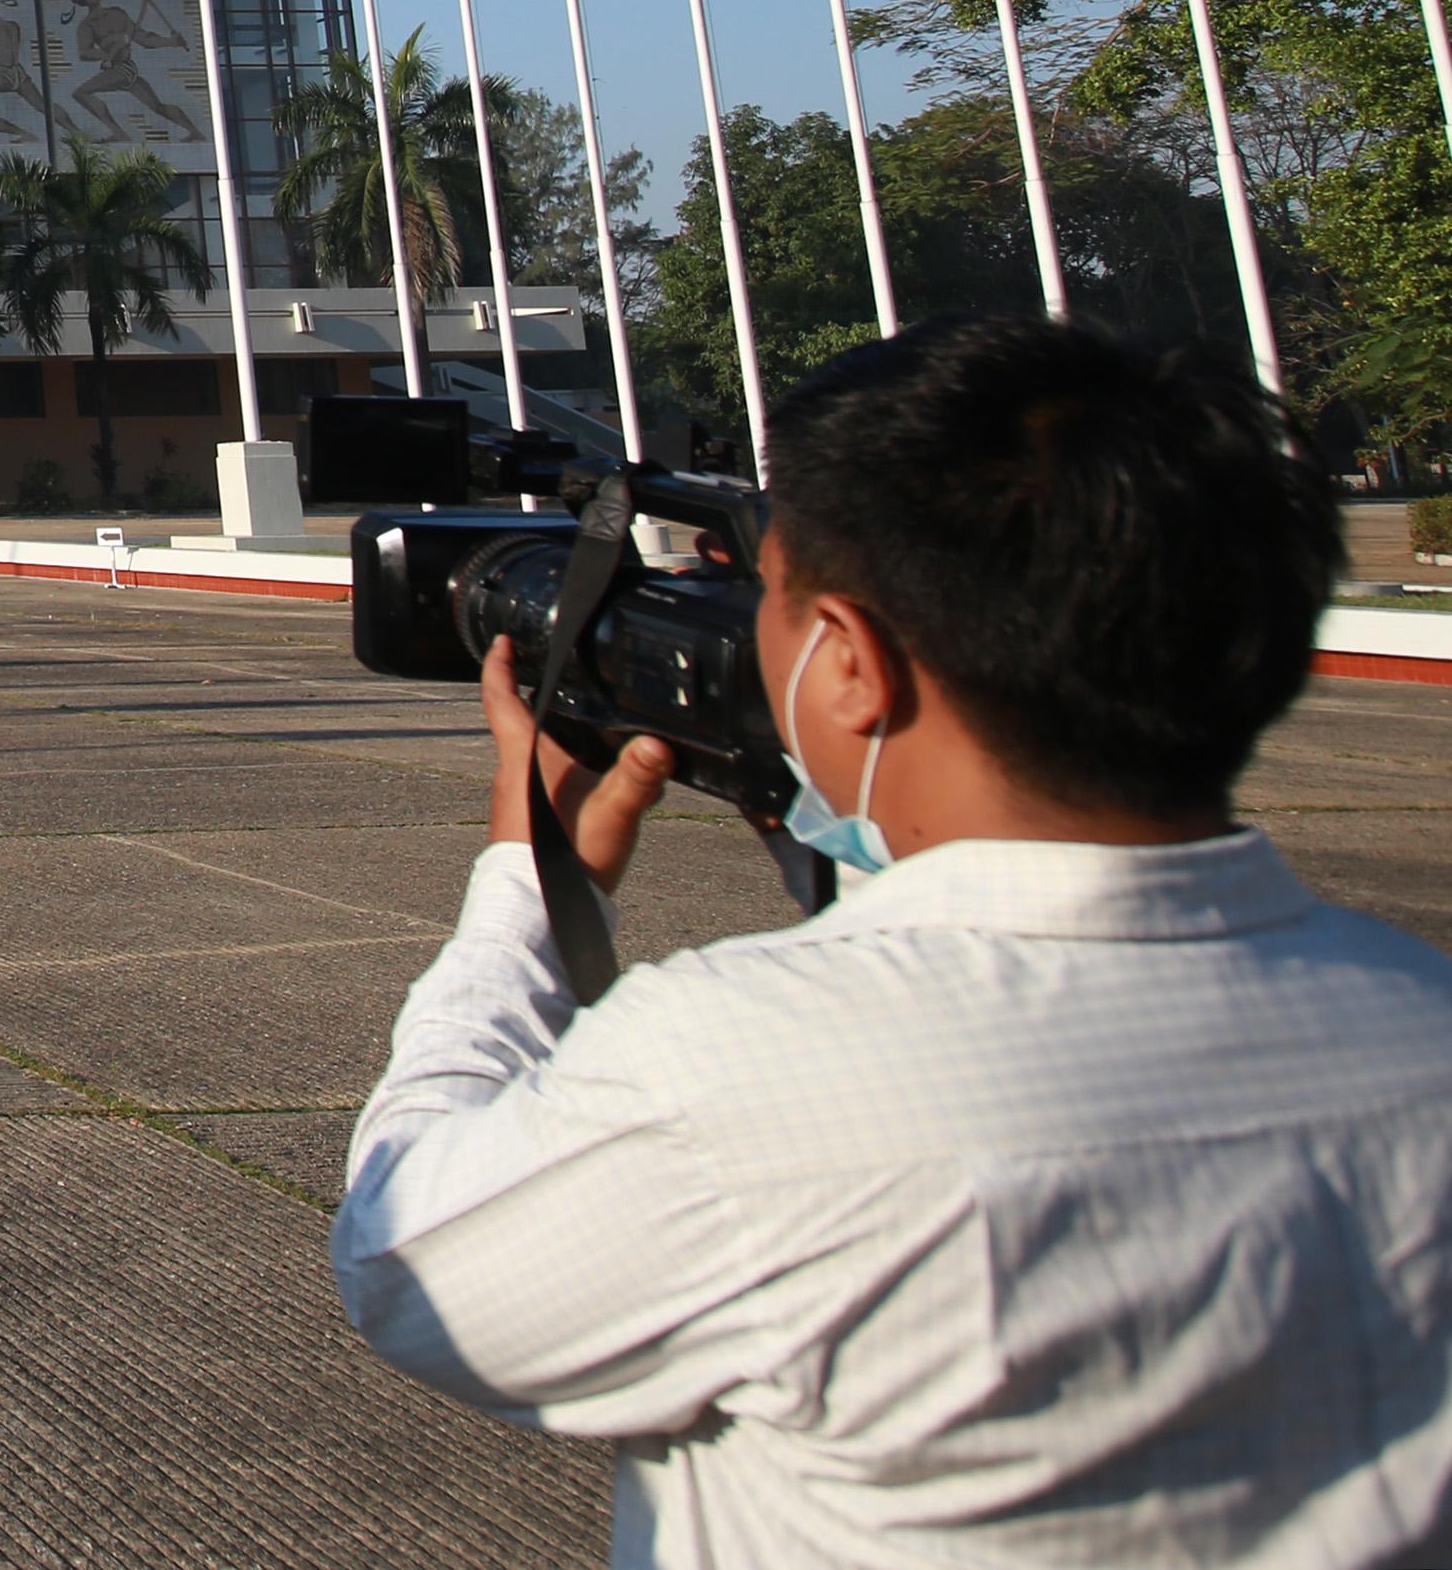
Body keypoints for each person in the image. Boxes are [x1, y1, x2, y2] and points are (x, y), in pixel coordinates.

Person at [332, 317, 1452, 1559]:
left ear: (853, 663)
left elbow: (401, 1261)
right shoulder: (1420, 1014)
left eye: (765, 595)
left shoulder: (729, 1075)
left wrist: (523, 890)